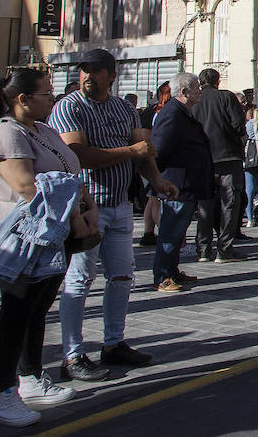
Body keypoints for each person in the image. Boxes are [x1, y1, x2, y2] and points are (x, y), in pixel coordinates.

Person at [0, 68, 98, 425]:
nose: (52, 98)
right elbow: (29, 186)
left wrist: (87, 205)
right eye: (46, 93)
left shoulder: (41, 130)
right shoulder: (4, 134)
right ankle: (4, 394)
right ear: (22, 99)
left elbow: (68, 173)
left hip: (53, 237)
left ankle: (31, 378)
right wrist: (75, 213)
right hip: (22, 241)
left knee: (37, 311)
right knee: (14, 316)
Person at [52, 48, 176, 383]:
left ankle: (113, 342)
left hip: (119, 205)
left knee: (122, 276)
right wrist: (130, 151)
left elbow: (144, 152)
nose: (88, 77)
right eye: (84, 71)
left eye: (95, 71)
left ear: (112, 75)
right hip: (85, 208)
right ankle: (73, 353)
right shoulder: (69, 106)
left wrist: (158, 180)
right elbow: (78, 154)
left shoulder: (124, 108)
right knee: (79, 280)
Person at [150, 72, 213, 293]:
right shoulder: (172, 114)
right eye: (196, 87)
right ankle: (163, 275)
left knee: (178, 230)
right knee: (171, 230)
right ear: (184, 92)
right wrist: (156, 181)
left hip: (187, 184)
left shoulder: (183, 112)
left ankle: (171, 269)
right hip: (177, 183)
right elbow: (159, 149)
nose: (200, 91)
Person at [192, 68, 249, 262]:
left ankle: (203, 248)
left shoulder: (195, 101)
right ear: (218, 81)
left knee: (205, 205)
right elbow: (238, 124)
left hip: (203, 158)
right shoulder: (226, 97)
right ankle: (224, 248)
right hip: (227, 156)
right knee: (229, 204)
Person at [137, 82, 172, 247]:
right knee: (157, 197)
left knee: (152, 197)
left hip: (150, 156)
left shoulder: (150, 111)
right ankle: (163, 232)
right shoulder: (164, 112)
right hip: (157, 157)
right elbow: (146, 136)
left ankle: (148, 232)